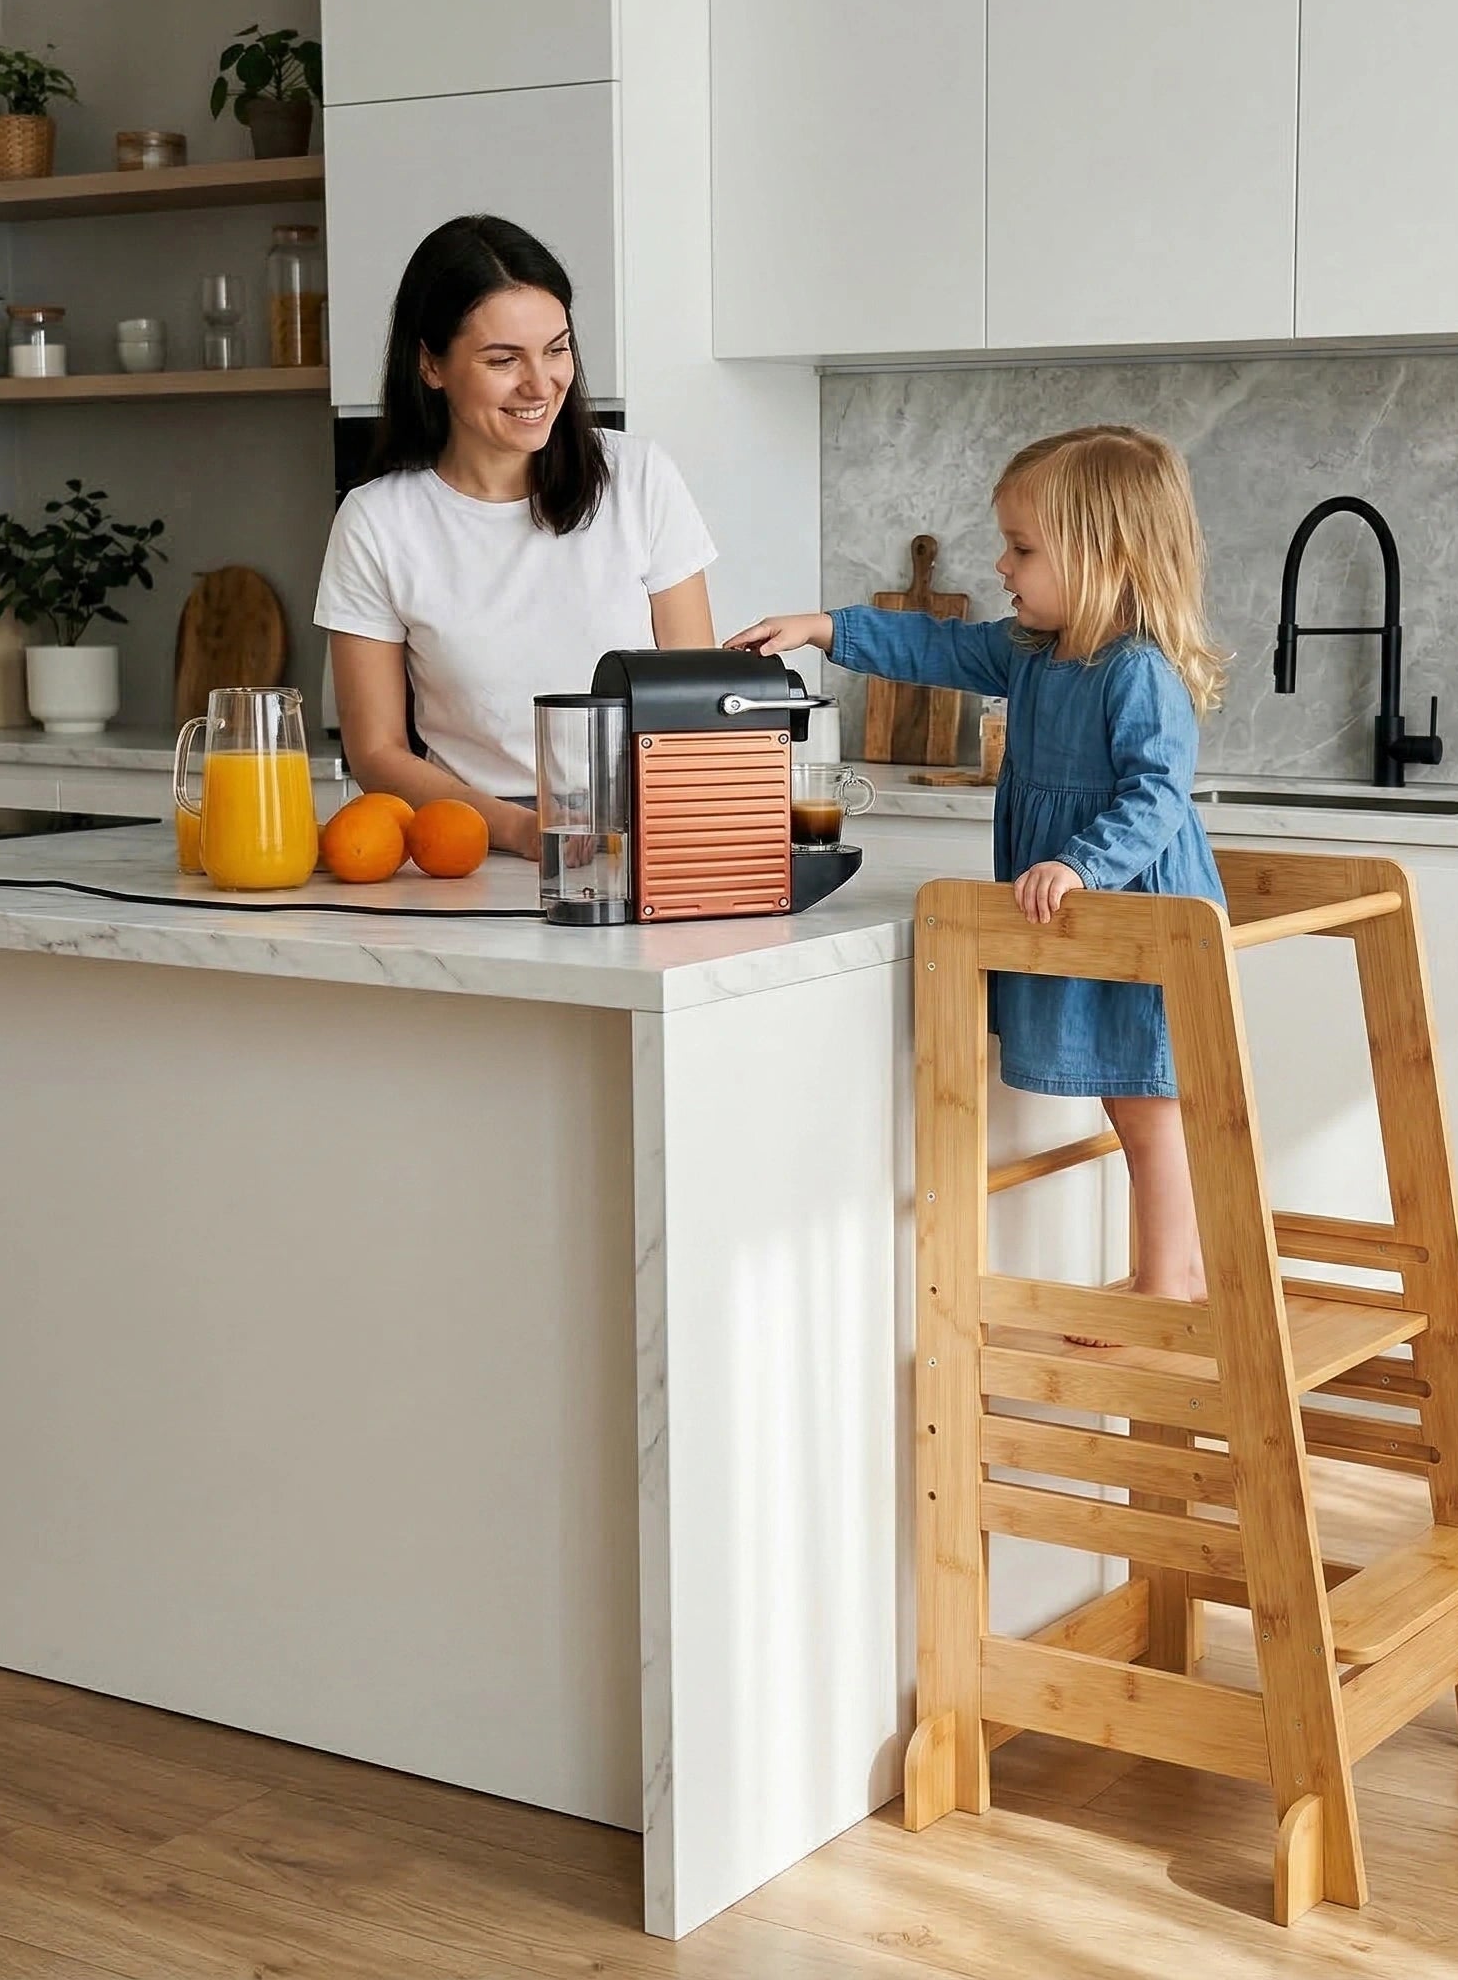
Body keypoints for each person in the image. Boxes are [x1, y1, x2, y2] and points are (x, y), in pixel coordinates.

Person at [727, 424, 1228, 1309]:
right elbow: (930, 646)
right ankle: (1169, 1272)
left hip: (1138, 913)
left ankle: (1171, 1278)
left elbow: (1157, 796)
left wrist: (1080, 862)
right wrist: (821, 629)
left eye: (1023, 548)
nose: (1002, 566)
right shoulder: (1030, 653)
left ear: (1104, 556)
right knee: (1124, 1096)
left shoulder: (1138, 670)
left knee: (1149, 1101)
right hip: (1083, 911)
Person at [314, 215, 717, 858]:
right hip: (468, 848)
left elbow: (698, 703)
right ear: (430, 364)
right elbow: (376, 752)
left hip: (645, 839)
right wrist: (519, 830)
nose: (540, 383)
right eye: (504, 360)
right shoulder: (376, 522)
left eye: (556, 349)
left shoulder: (638, 478)